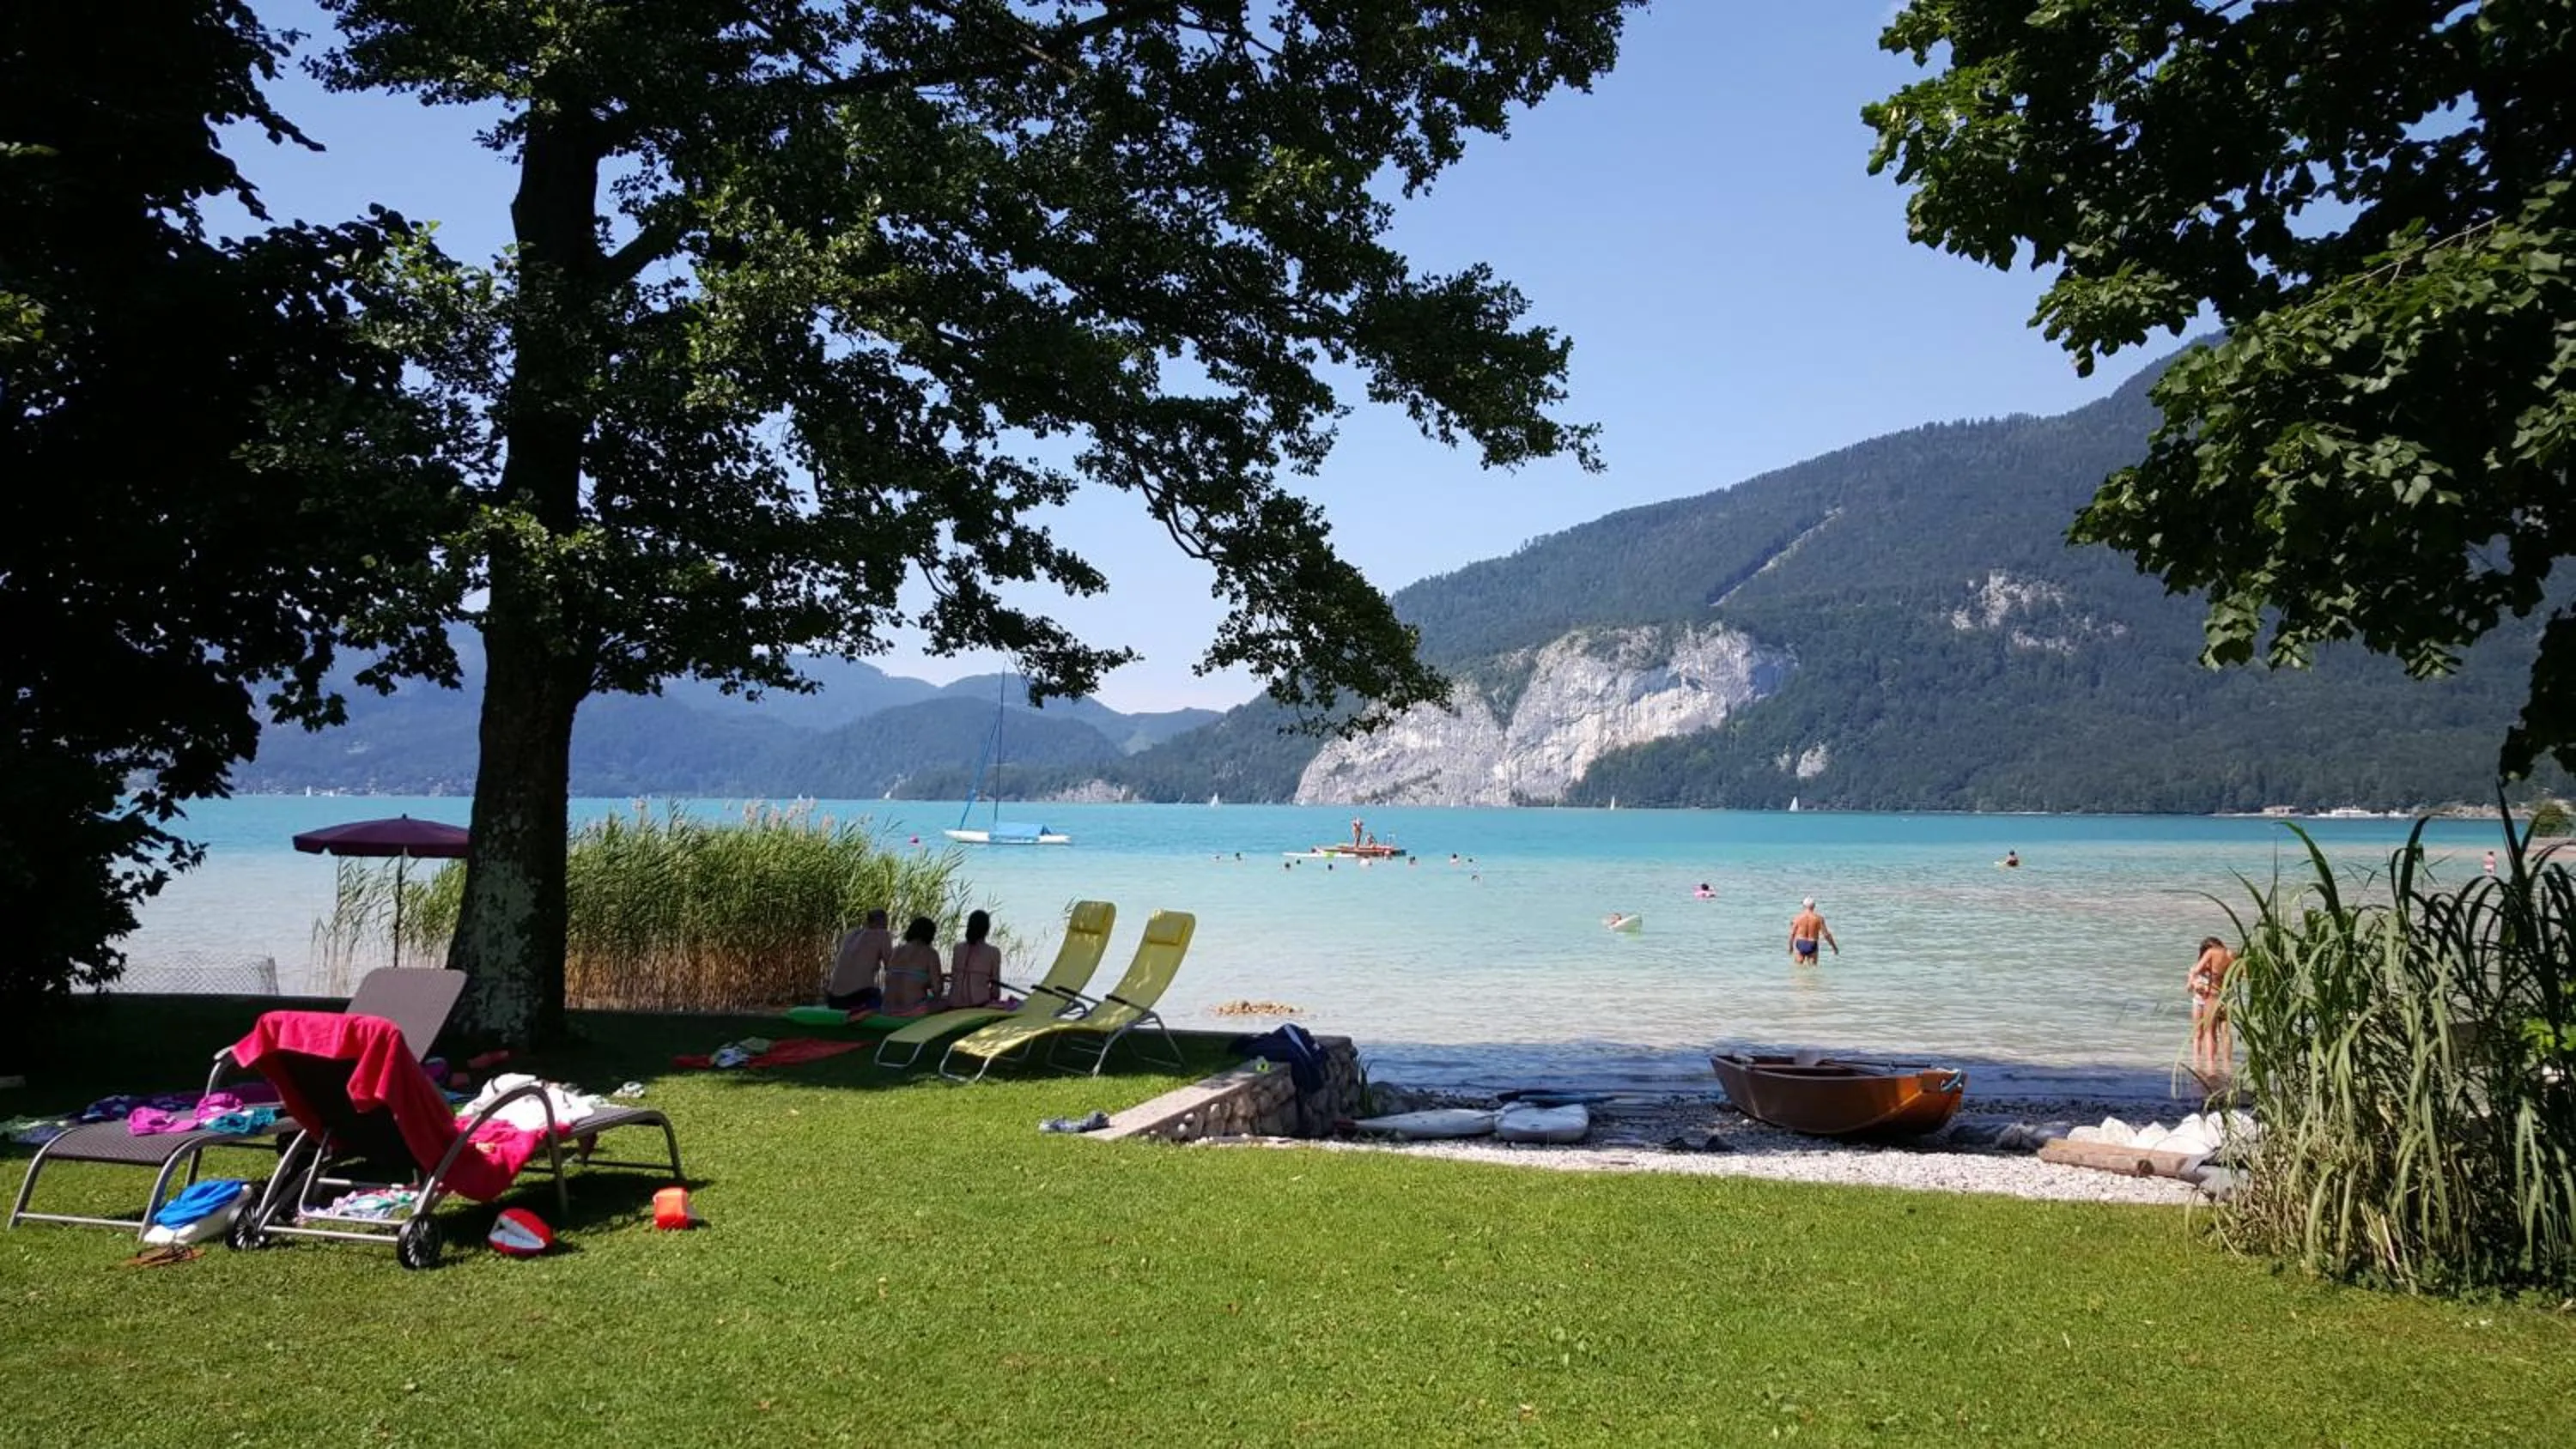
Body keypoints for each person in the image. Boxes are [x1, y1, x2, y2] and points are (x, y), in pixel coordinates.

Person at [825, 909, 894, 1010]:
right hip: (856, 999)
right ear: (884, 922)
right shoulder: (882, 934)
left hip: (832, 999)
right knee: (882, 996)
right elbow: (891, 968)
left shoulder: (849, 934)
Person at [2190, 936, 2234, 1082]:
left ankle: (2210, 1066)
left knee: (2210, 1031)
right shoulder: (2232, 954)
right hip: (2227, 995)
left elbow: (2197, 969)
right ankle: (2228, 1065)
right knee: (2226, 1032)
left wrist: (2194, 979)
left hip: (2213, 994)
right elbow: (2244, 974)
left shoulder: (2211, 953)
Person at [882, 916, 946, 1016]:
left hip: (887, 1008)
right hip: (911, 1010)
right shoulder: (930, 953)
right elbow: (937, 990)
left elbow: (901, 977)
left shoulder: (896, 950)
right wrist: (940, 979)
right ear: (930, 934)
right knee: (946, 1002)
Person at [947, 909, 1005, 1009]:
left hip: (953, 1003)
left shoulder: (957, 948)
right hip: (978, 1005)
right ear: (987, 929)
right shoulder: (993, 952)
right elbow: (996, 991)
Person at [1788, 898, 1838, 963]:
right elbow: (1826, 935)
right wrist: (1834, 947)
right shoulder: (1819, 918)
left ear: (1803, 906)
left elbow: (1792, 934)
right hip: (1812, 943)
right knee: (1813, 969)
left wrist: (1790, 947)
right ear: (1814, 906)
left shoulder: (1797, 918)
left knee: (1798, 969)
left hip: (1800, 943)